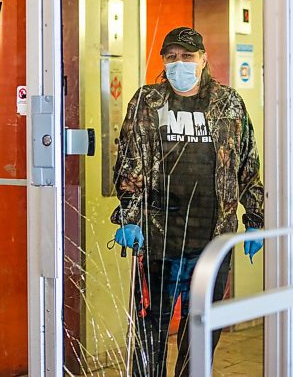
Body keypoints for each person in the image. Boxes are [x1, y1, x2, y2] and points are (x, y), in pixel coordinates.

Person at [111, 27, 264, 376]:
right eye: (172, 57)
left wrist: (256, 217)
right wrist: (130, 216)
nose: (180, 63)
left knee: (201, 338)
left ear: (204, 59)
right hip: (158, 242)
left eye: (188, 56)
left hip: (212, 246)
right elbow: (129, 161)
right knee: (150, 339)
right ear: (164, 61)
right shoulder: (148, 102)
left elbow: (247, 164)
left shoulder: (229, 104)